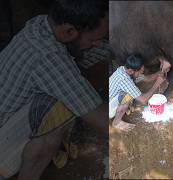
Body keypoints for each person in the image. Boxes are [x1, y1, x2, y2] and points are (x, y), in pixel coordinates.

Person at [0, 0, 108, 179]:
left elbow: (97, 52)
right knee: (57, 109)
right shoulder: (47, 56)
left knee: (65, 93)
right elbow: (101, 120)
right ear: (69, 31)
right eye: (94, 40)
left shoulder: (43, 24)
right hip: (3, 139)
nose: (98, 44)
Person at [109, 54, 171, 132]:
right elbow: (143, 100)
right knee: (127, 96)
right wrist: (157, 84)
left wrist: (161, 71)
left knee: (129, 93)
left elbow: (148, 78)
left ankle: (122, 108)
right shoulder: (124, 79)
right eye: (139, 72)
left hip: (112, 97)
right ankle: (116, 122)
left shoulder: (125, 69)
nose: (140, 74)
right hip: (109, 107)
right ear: (131, 71)